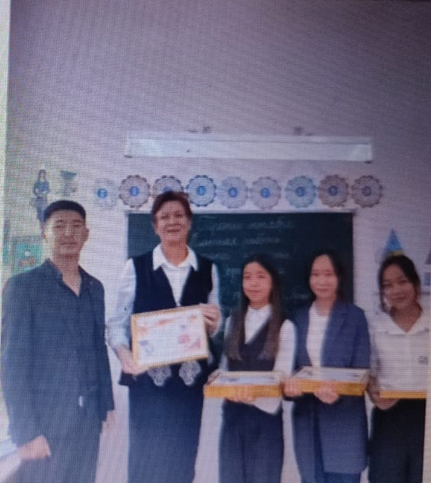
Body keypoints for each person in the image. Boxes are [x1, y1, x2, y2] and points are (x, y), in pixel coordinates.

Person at [107, 191, 221, 483]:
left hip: (188, 387)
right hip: (148, 385)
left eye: (179, 215)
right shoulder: (135, 268)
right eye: (164, 217)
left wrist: (212, 326)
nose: (172, 222)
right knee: (146, 463)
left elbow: (214, 327)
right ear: (155, 226)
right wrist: (125, 356)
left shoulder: (208, 269)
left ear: (189, 222)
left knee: (182, 462)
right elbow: (117, 324)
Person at [1, 200, 115, 483]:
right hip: (43, 423)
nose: (68, 233)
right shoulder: (23, 287)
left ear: (86, 235)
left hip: (87, 421)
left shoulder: (95, 288)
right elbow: (12, 364)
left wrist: (106, 404)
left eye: (76, 226)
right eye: (59, 226)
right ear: (44, 233)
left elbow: (98, 348)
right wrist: (26, 431)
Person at [285, 250, 370, 483]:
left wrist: (338, 394)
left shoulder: (355, 317)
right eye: (315, 274)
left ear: (339, 277)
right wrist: (290, 389)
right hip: (308, 423)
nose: (322, 280)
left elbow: (361, 371)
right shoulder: (297, 318)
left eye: (328, 274)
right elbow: (288, 370)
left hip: (344, 422)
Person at [217, 254, 297, 483]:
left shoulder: (285, 326)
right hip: (233, 420)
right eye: (247, 277)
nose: (253, 283)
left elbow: (282, 376)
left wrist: (253, 396)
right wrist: (218, 380)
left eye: (261, 276)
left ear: (273, 282)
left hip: (266, 422)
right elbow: (225, 368)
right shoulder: (232, 321)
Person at [367, 254, 428, 483]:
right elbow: (369, 373)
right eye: (388, 285)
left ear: (416, 283)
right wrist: (373, 392)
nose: (396, 290)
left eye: (402, 281)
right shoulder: (375, 326)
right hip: (389, 417)